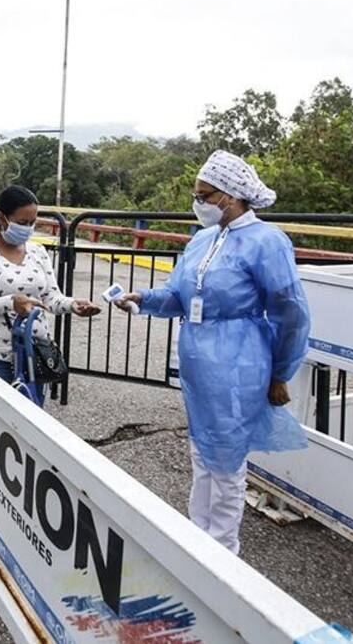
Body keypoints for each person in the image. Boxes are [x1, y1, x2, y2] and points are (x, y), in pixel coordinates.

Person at [116, 150, 311, 555]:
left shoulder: (266, 242)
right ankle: (196, 540)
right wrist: (143, 299)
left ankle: (222, 552)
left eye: (206, 195)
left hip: (239, 364)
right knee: (201, 450)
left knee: (226, 459)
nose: (199, 202)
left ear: (233, 195)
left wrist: (280, 373)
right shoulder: (204, 239)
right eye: (197, 194)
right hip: (199, 365)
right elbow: (180, 296)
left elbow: (290, 311)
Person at [0, 186, 101, 406]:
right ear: (2, 218)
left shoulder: (37, 252)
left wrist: (73, 305)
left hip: (34, 358)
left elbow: (50, 298)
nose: (28, 229)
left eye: (33, 223)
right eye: (22, 223)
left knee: (30, 429)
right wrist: (10, 302)